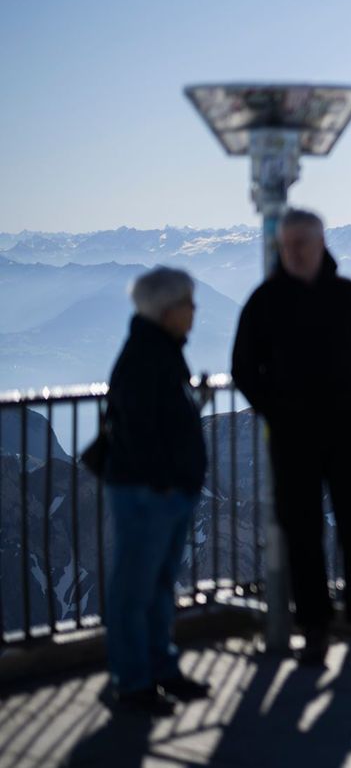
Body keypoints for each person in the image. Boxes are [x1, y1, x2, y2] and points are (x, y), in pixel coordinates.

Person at [231, 208, 351, 665]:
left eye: (301, 243)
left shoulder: (350, 297)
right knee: (302, 533)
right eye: (287, 246)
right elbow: (244, 367)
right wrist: (276, 411)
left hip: (349, 435)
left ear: (322, 243)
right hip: (293, 439)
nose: (294, 252)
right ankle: (316, 628)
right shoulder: (265, 302)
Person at [102, 266, 212, 716]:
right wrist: (165, 481)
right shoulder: (148, 358)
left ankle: (160, 669)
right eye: (188, 303)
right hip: (149, 494)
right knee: (135, 590)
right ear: (168, 311)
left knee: (158, 585)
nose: (194, 311)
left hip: (160, 492)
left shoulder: (160, 350)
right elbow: (139, 428)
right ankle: (133, 682)